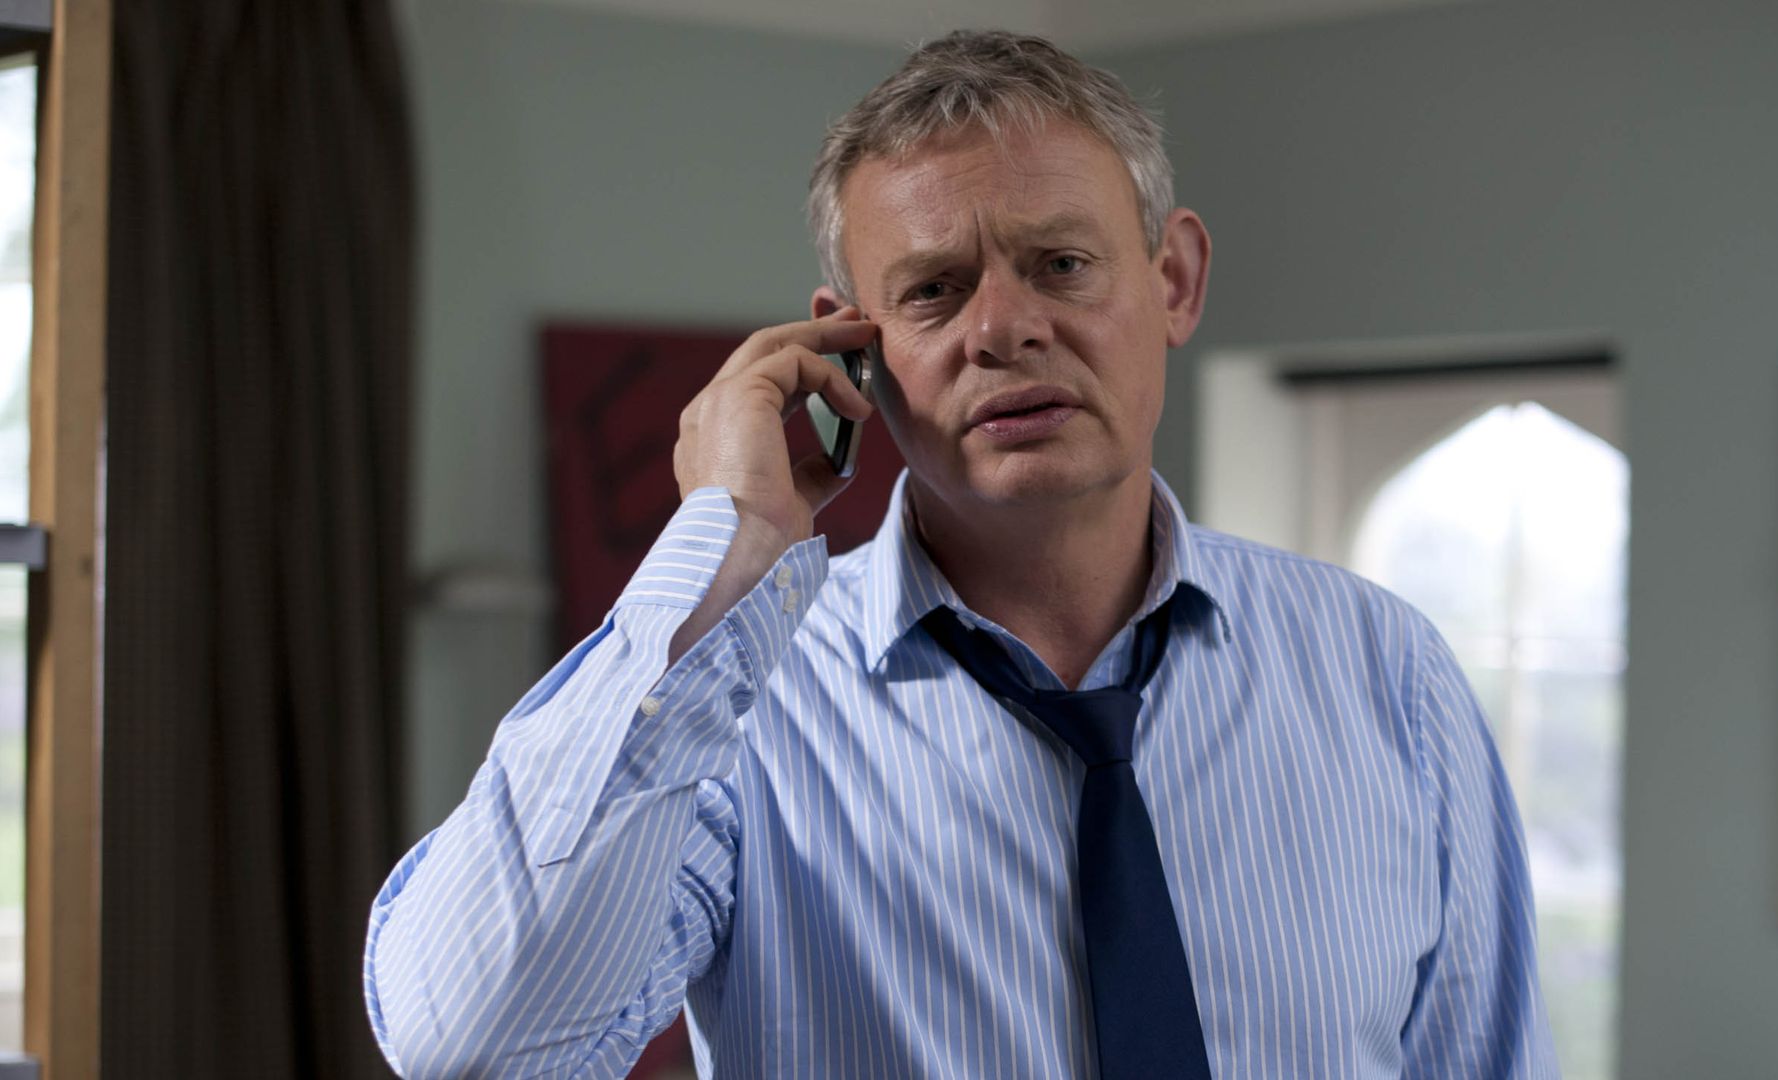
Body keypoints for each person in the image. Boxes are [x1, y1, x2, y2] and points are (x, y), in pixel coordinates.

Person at [364, 30, 1558, 1079]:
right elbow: (477, 1046)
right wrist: (718, 564)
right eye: (934, 290)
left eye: (1062, 264)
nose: (1003, 328)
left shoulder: (1385, 671)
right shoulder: (733, 713)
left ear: (1176, 279)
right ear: (854, 343)